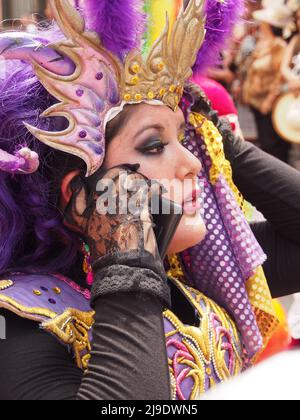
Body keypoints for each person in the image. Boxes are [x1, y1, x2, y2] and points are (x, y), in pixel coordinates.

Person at [0, 0, 298, 401]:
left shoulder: (189, 266)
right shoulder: (18, 319)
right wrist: (128, 260)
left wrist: (223, 145)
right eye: (155, 145)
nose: (193, 163)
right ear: (81, 197)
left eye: (184, 138)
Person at [243, 1, 292, 163]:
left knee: (273, 146)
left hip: (269, 105)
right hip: (257, 103)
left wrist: (270, 100)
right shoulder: (263, 44)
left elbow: (279, 78)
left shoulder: (278, 46)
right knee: (266, 144)